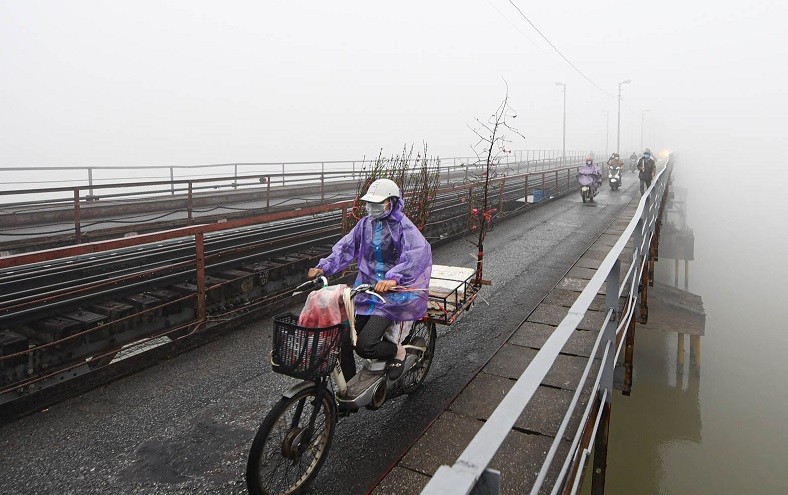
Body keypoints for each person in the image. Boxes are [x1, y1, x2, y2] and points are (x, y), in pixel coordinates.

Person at [307, 178, 432, 380]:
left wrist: (394, 279)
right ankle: (346, 392)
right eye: (369, 203)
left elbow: (417, 255)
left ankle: (397, 352)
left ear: (391, 202)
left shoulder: (403, 227)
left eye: (377, 204)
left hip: (394, 295)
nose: (371, 208)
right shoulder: (365, 225)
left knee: (366, 345)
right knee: (343, 341)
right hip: (367, 291)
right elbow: (346, 248)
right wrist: (324, 268)